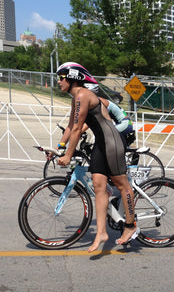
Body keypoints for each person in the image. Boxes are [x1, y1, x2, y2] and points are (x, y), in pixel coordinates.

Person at [55, 62, 139, 253]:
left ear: (72, 77)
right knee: (99, 186)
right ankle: (101, 233)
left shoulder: (83, 95)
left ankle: (130, 225)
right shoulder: (75, 97)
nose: (58, 82)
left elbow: (77, 128)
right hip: (100, 145)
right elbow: (70, 126)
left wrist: (69, 155)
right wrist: (59, 146)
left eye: (61, 77)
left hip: (112, 142)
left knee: (122, 184)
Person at [84, 83, 136, 147]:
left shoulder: (99, 102)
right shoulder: (97, 100)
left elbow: (92, 121)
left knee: (103, 136)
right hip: (122, 123)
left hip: (124, 124)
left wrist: (79, 131)